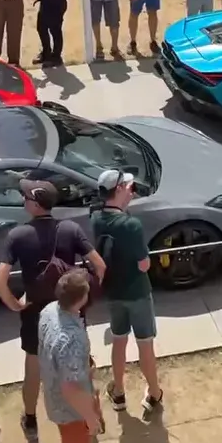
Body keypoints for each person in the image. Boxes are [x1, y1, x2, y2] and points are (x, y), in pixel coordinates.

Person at [0, 179, 105, 441]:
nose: (23, 201)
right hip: (70, 309)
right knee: (81, 365)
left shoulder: (17, 235)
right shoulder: (71, 229)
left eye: (25, 198)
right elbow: (99, 266)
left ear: (34, 204)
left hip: (35, 313)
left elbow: (0, 282)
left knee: (33, 369)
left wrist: (16, 304)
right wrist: (86, 299)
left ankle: (31, 420)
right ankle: (89, 416)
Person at [94, 169, 164, 414]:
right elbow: (144, 264)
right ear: (120, 189)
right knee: (145, 345)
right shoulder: (131, 225)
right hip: (138, 293)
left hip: (114, 293)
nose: (132, 189)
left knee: (119, 341)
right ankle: (154, 392)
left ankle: (119, 391)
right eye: (129, 186)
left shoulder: (96, 219)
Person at [38, 270, 102, 443]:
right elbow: (71, 389)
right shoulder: (71, 339)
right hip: (71, 409)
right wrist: (91, 418)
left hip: (54, 393)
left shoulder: (48, 311)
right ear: (81, 298)